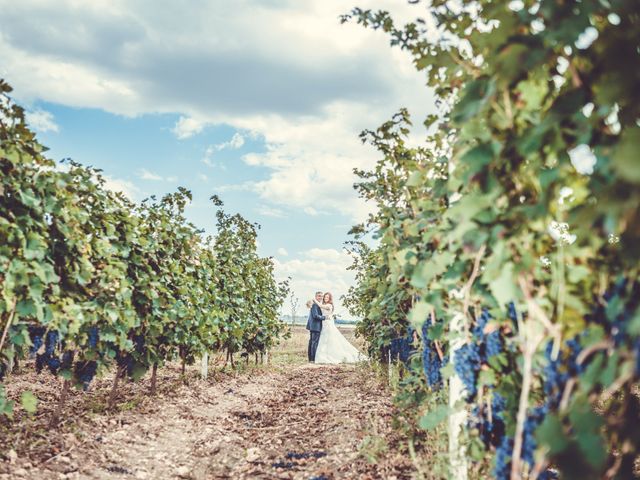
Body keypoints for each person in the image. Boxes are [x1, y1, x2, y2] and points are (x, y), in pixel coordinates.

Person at [314, 292, 367, 364]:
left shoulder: (329, 305)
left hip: (328, 323)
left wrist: (314, 300)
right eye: (325, 297)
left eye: (327, 297)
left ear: (330, 299)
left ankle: (330, 356)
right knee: (324, 339)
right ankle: (324, 354)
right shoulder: (324, 304)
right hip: (324, 323)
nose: (325, 298)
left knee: (328, 338)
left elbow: (320, 305)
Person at [305, 291, 325, 362]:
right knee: (314, 343)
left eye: (322, 296)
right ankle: (312, 359)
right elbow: (315, 316)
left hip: (314, 326)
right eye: (319, 296)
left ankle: (311, 359)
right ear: (316, 297)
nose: (321, 297)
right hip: (315, 326)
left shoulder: (317, 305)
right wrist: (324, 317)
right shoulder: (315, 305)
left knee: (312, 342)